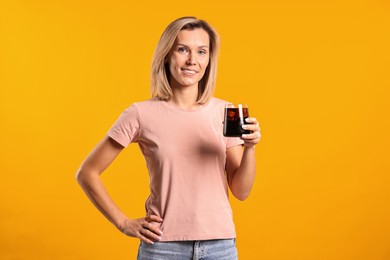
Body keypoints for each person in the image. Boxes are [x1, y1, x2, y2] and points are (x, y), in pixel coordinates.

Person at [76, 16, 261, 259]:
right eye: (182, 49)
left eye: (201, 52)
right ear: (166, 55)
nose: (192, 60)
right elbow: (87, 173)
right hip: (163, 248)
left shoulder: (225, 112)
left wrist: (250, 148)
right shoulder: (141, 113)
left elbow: (241, 191)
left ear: (209, 59)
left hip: (220, 247)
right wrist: (123, 223)